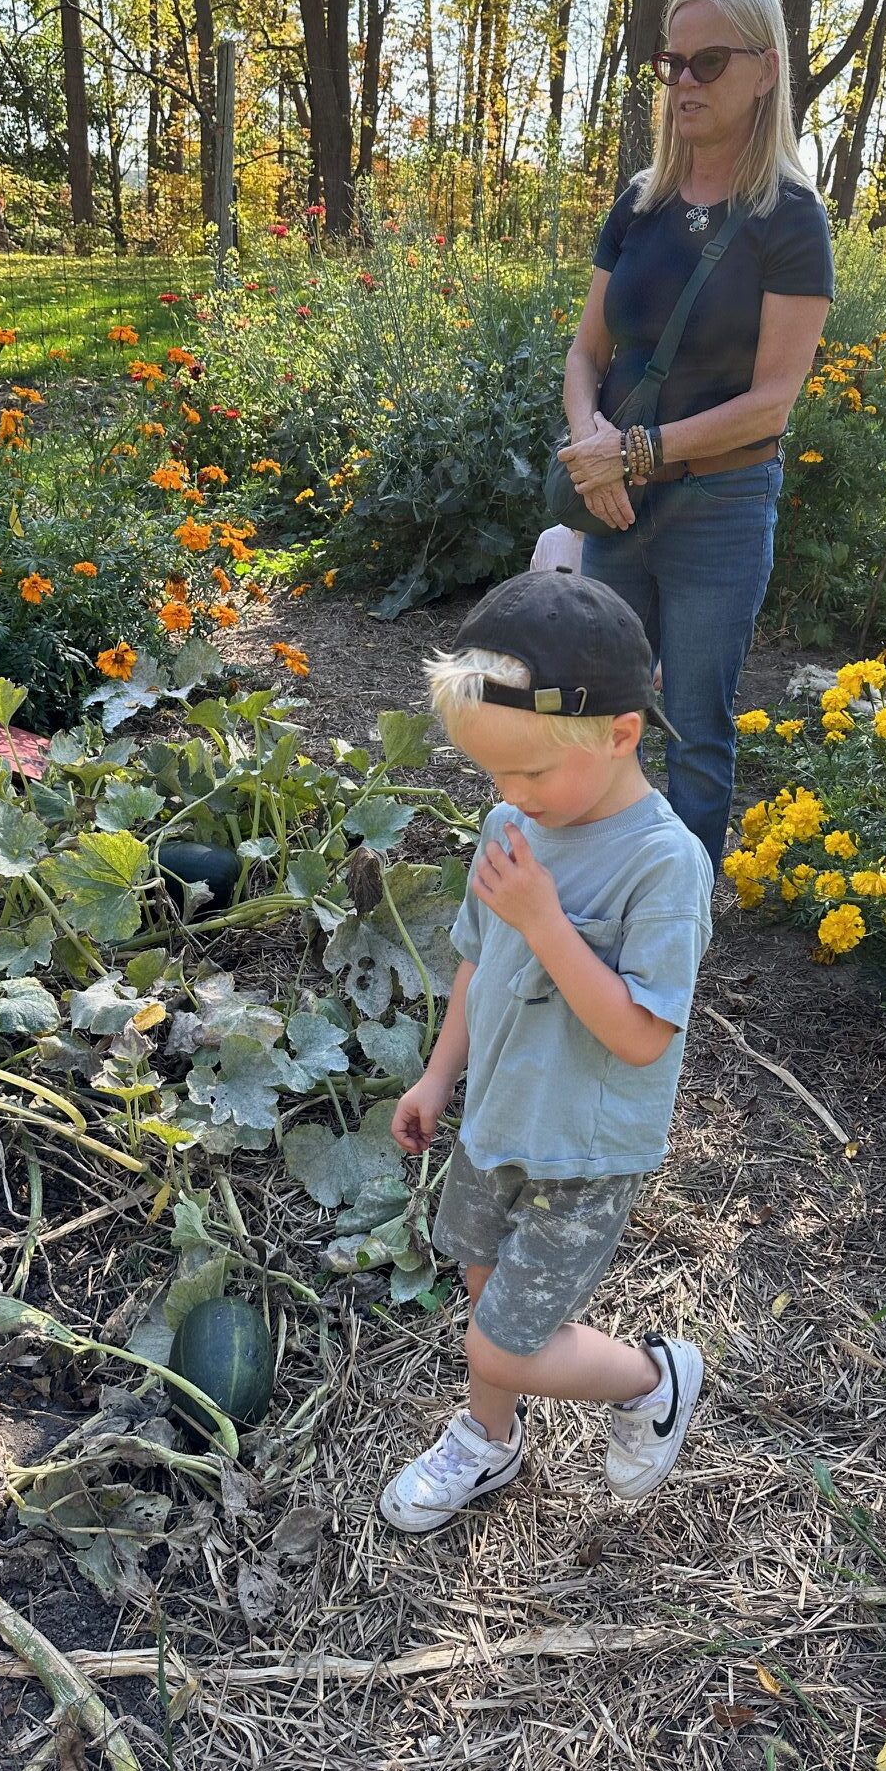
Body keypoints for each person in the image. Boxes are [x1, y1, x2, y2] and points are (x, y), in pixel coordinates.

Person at [379, 570, 712, 1534]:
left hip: (582, 1148)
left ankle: (655, 1379)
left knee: (502, 1343)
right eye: (492, 776)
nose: (509, 796)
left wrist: (547, 918)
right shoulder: (514, 824)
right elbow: (480, 964)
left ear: (620, 734)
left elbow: (643, 1037)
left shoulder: (663, 864)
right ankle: (490, 1441)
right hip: (498, 1120)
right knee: (486, 1293)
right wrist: (440, 1077)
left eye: (529, 774)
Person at [557, 0, 834, 872]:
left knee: (698, 731)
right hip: (615, 506)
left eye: (708, 61)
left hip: (718, 507)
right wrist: (594, 444)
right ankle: (589, 890)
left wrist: (635, 449)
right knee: (594, 709)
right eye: (670, 62)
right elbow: (585, 355)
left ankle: (677, 933)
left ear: (765, 71)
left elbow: (773, 401)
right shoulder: (640, 203)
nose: (683, 81)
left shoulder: (789, 220)